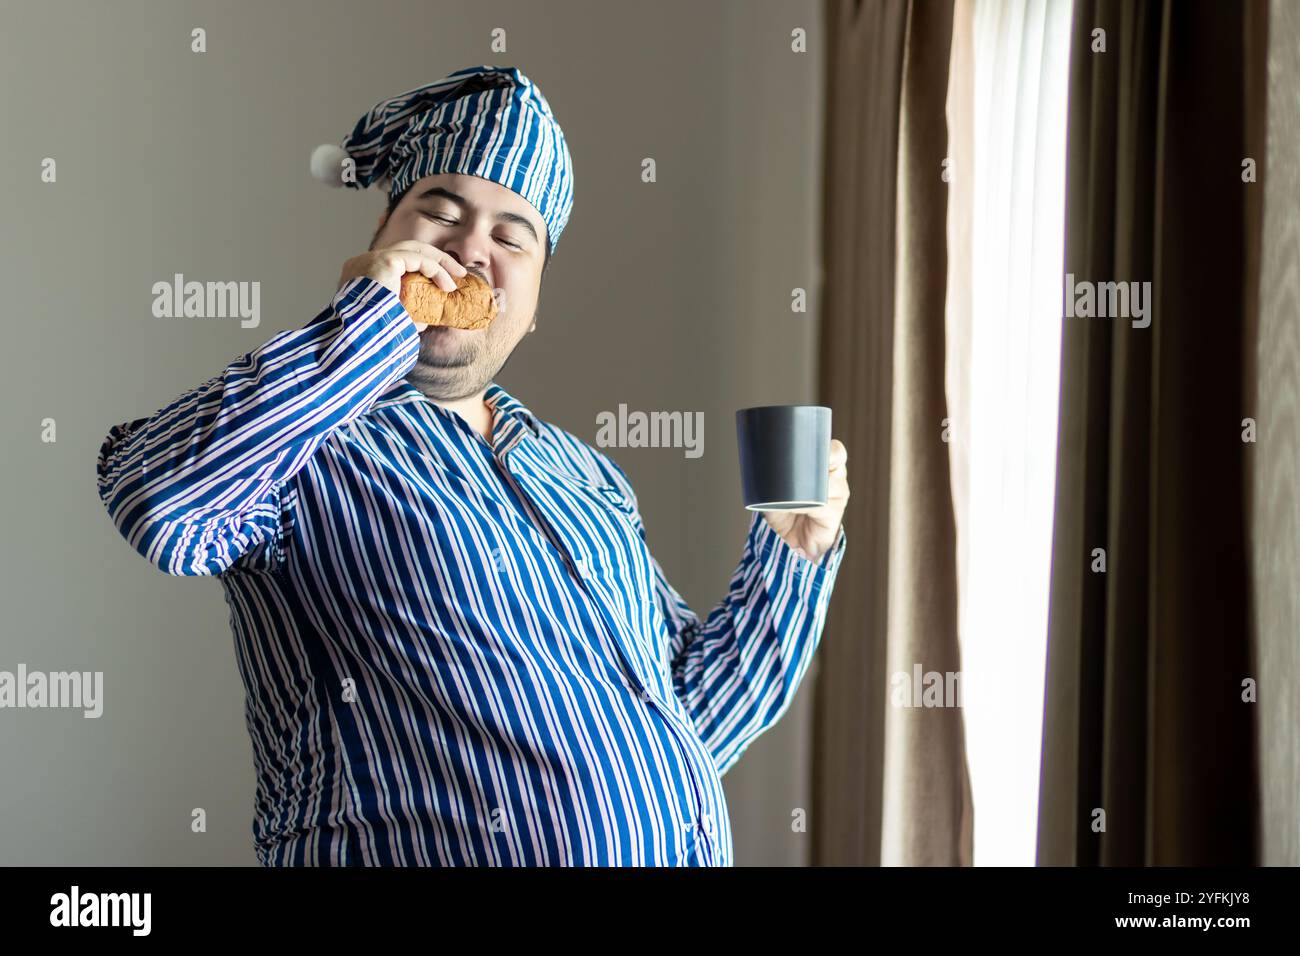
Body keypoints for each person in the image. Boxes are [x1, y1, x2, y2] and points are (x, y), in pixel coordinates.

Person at [96, 65, 850, 866]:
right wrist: (360, 332)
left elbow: (689, 721)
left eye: (511, 236)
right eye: (440, 214)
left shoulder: (582, 475)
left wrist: (792, 554)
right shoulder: (306, 438)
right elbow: (160, 504)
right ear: (381, 239)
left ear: (532, 304)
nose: (469, 249)